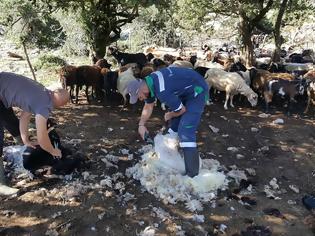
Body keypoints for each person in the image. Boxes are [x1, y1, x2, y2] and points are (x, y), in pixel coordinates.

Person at [127, 67, 208, 178]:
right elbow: (148, 105)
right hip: (184, 90)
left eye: (138, 96)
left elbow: (181, 110)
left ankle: (192, 176)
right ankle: (176, 154)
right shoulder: (149, 83)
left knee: (185, 131)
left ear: (141, 89)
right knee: (174, 126)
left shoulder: (162, 90)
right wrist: (141, 124)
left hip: (197, 90)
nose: (140, 99)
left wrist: (170, 114)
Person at [0, 71, 70, 196]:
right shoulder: (45, 104)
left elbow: (24, 117)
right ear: (59, 103)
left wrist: (26, 139)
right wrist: (53, 151)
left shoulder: (42, 92)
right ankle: (0, 184)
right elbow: (42, 136)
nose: (53, 109)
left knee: (9, 119)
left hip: (2, 90)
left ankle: (22, 146)